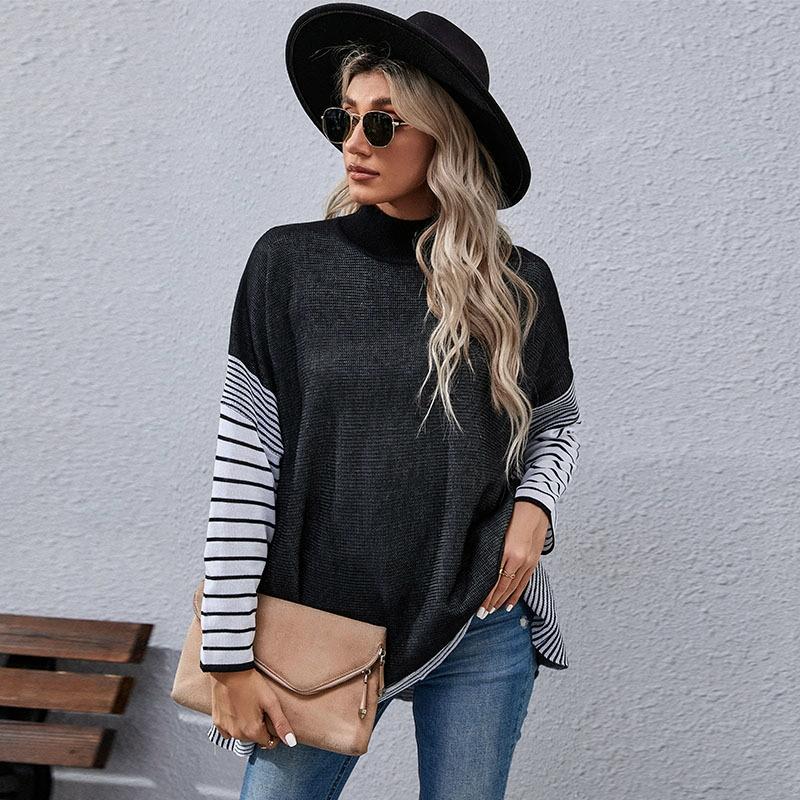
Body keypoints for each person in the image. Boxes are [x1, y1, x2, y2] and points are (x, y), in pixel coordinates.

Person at [196, 4, 582, 798]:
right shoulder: (288, 266)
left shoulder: (518, 284)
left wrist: (534, 511)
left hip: (478, 619)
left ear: (446, 139)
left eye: (382, 124)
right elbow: (245, 462)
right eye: (345, 118)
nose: (354, 143)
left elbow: (555, 424)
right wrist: (227, 655)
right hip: (316, 621)